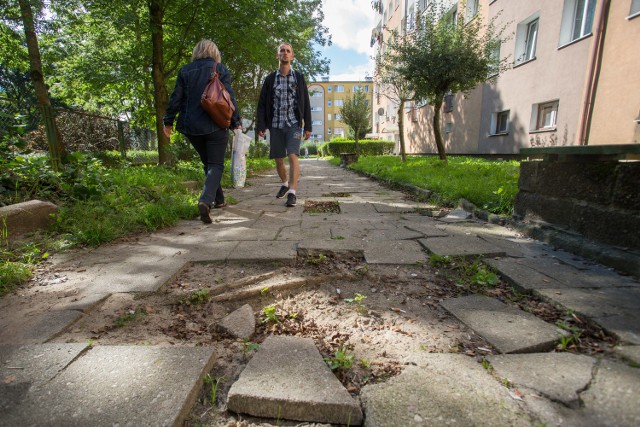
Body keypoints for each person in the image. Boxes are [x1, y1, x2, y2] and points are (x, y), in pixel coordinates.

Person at [163, 39, 241, 224]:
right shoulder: (219, 69)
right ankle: (205, 200)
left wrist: (168, 121)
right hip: (215, 124)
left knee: (208, 163)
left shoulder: (185, 70)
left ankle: (219, 199)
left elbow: (176, 98)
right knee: (215, 164)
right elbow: (228, 97)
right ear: (214, 52)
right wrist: (235, 122)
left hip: (191, 127)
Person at [256, 42, 312, 207]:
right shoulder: (270, 79)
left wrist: (308, 125)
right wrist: (261, 125)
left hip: (294, 124)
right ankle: (285, 183)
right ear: (278, 55)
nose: (285, 53)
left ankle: (293, 193)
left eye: (288, 51)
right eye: (282, 51)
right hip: (275, 124)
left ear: (292, 56)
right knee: (278, 159)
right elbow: (262, 104)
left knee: (292, 155)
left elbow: (306, 102)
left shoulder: (299, 77)